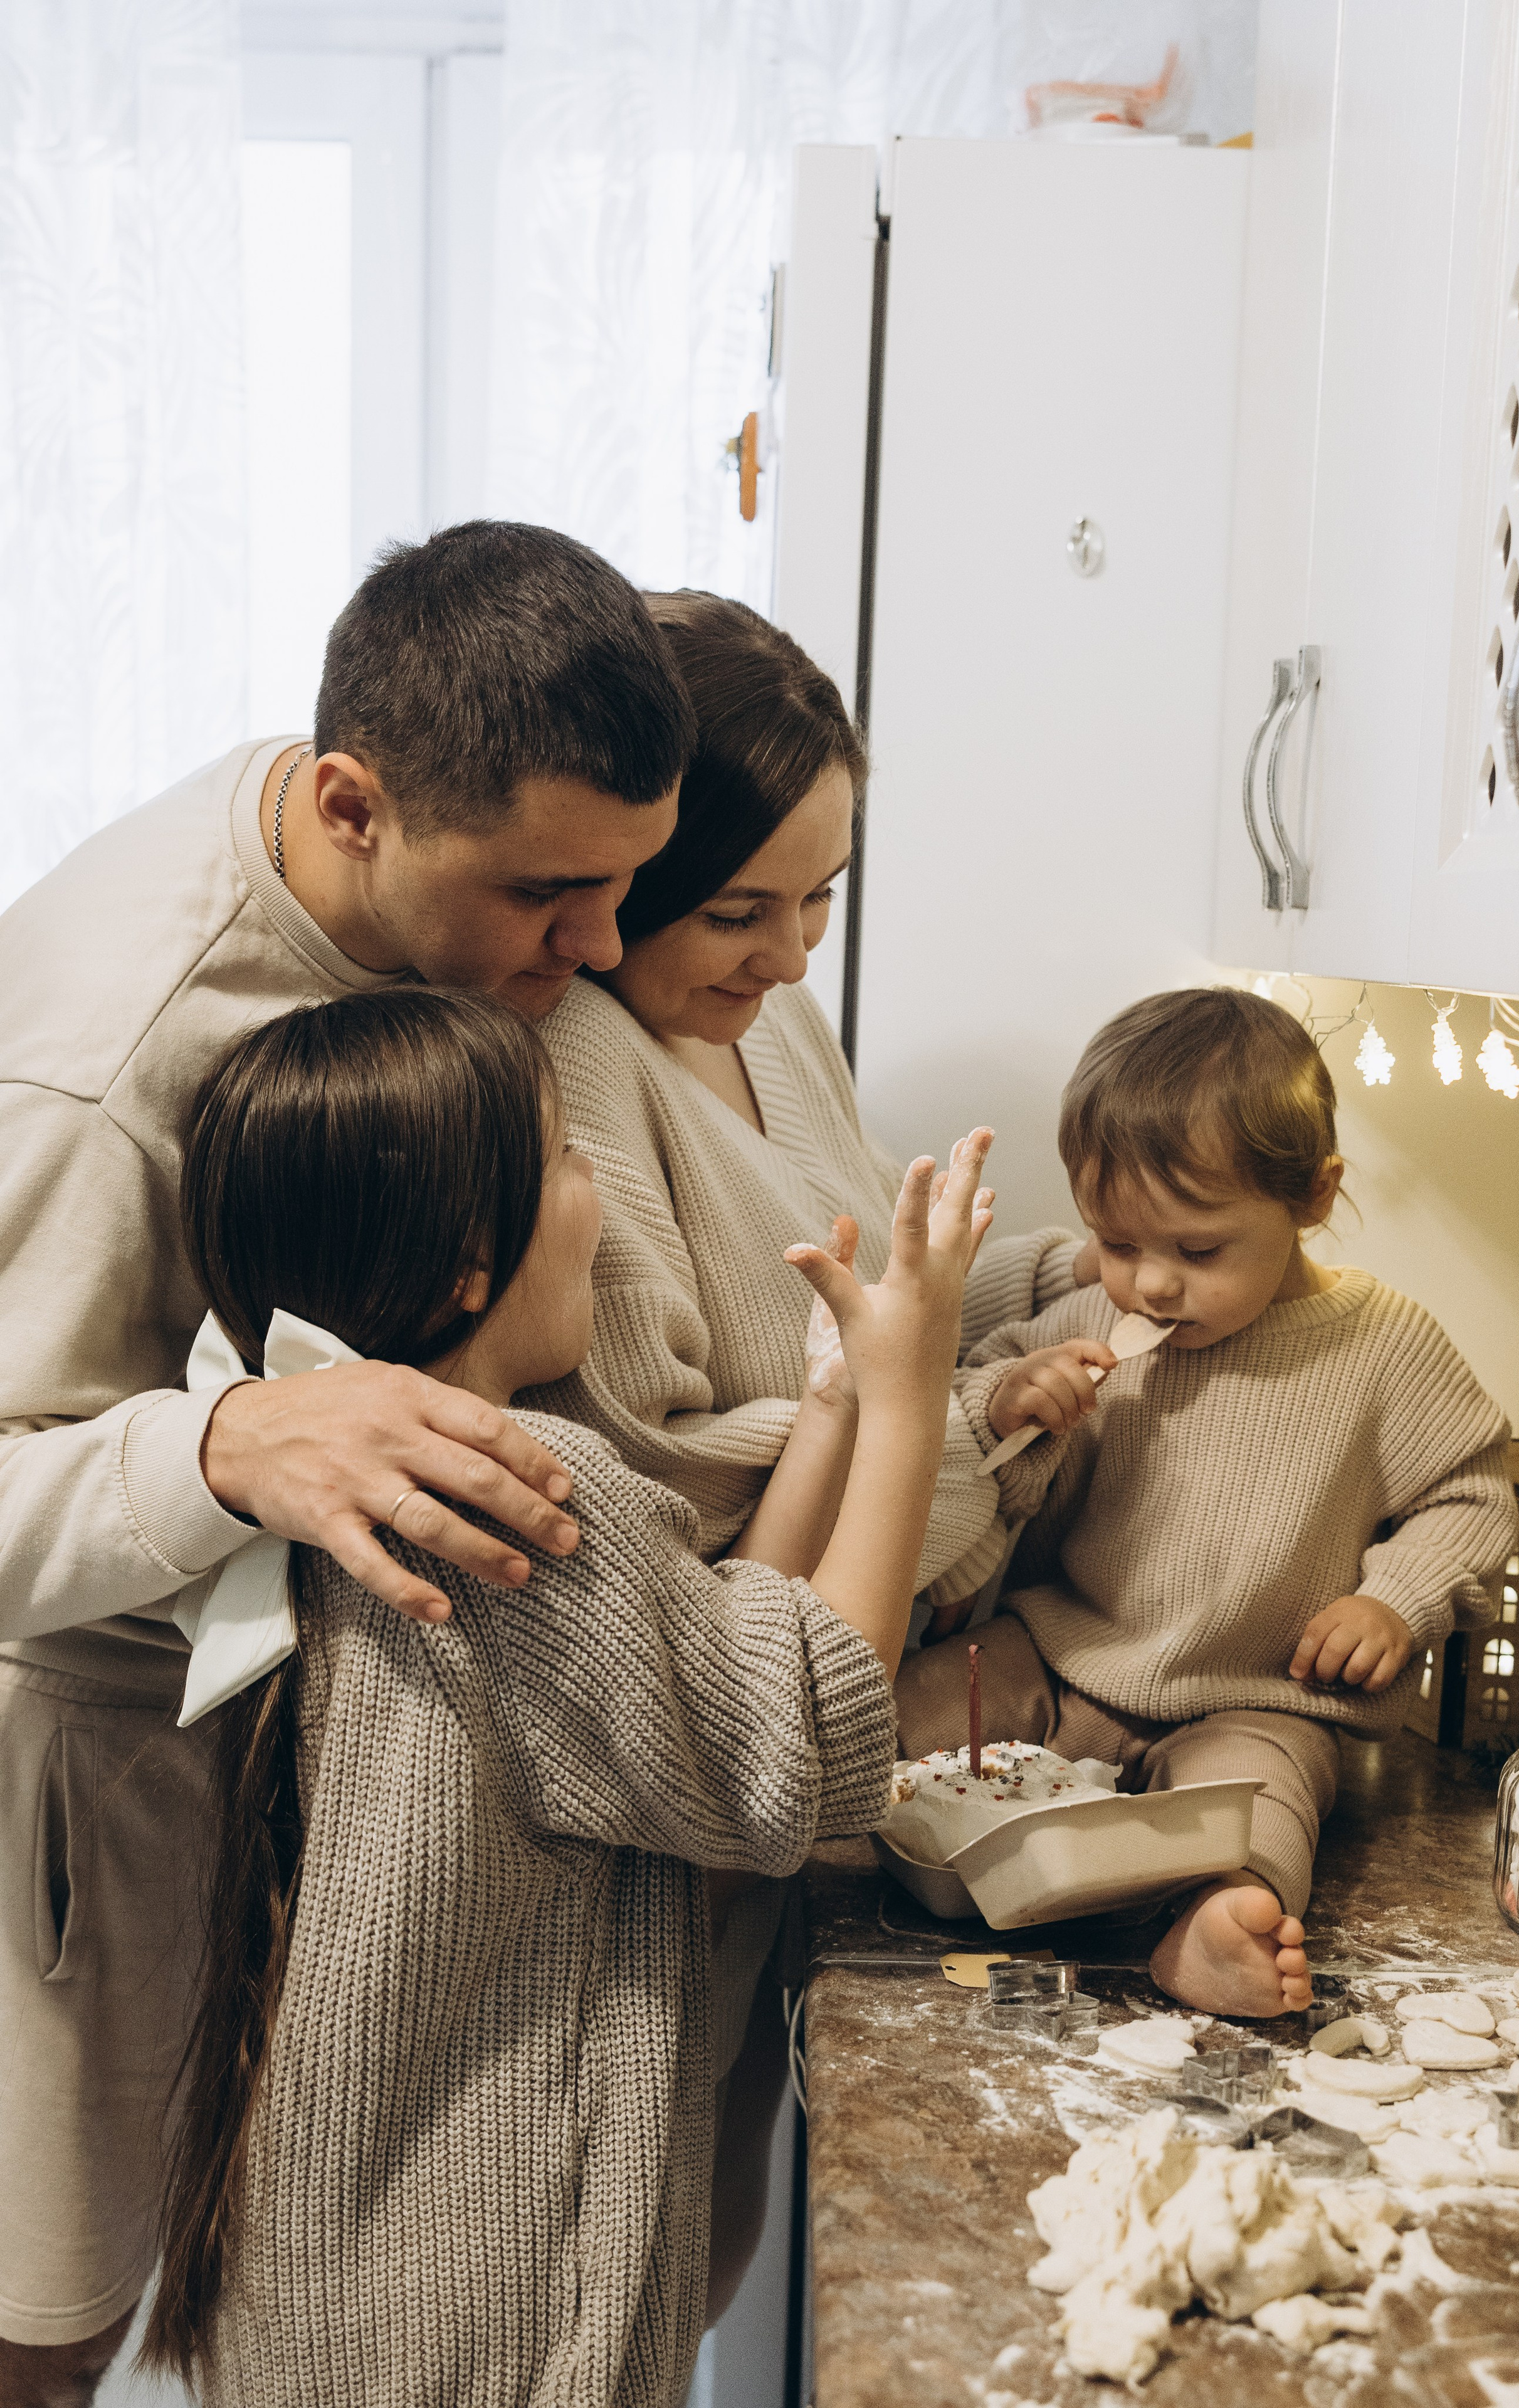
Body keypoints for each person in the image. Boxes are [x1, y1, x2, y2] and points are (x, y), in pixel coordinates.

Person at [0, 521, 693, 2399]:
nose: (601, 949)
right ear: (351, 805)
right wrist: (231, 1444)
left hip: (256, 1765)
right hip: (70, 1783)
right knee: (45, 2339)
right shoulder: (102, 1061)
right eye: (551, 893)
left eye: (627, 884)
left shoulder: (429, 884)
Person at [137, 988, 994, 2408]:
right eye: (567, 1157)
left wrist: (833, 1411)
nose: (597, 1189)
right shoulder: (506, 1493)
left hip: (338, 2277)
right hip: (488, 2315)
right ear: (474, 1261)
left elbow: (711, 1671)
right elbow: (791, 1745)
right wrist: (914, 1396)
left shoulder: (336, 1470)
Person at [530, 591, 1090, 2313]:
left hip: (820, 1718)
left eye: (823, 898)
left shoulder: (759, 1011)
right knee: (629, 2264)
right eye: (740, 908)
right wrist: (963, 1419)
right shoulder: (574, 1058)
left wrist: (1059, 1272)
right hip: (688, 1768)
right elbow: (661, 1471)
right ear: (630, 871)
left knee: (708, 2240)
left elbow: (858, 1275)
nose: (789, 955)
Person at [896, 988, 1518, 2019]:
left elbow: (1472, 1494)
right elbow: (973, 1422)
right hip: (1059, 1653)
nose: (1151, 1286)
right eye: (1118, 1243)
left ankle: (1218, 1923)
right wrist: (1008, 1399)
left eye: (1197, 1251)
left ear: (1314, 1196)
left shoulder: (1386, 1345)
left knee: (1264, 1806)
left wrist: (1395, 1600)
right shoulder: (1091, 1317)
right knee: (902, 1709)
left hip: (1260, 1695)